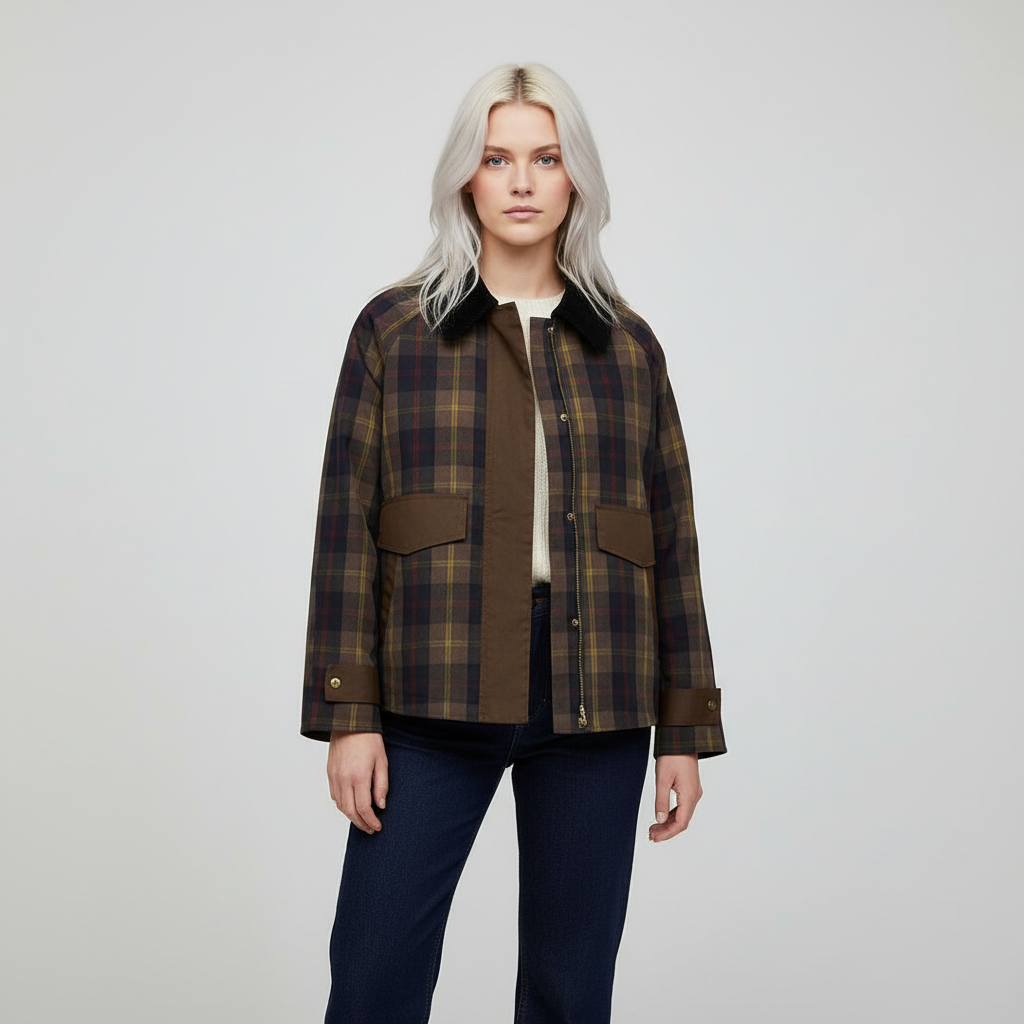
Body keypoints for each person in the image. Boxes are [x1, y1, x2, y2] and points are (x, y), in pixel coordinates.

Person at [301, 62, 727, 1024]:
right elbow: (346, 532)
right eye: (497, 159)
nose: (522, 182)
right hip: (429, 688)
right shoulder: (395, 330)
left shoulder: (629, 347)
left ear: (578, 179)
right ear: (466, 177)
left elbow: (672, 544)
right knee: (373, 975)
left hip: (596, 698)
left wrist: (684, 731)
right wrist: (349, 714)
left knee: (572, 991)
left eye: (546, 158)